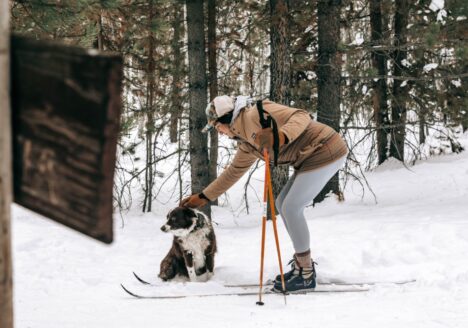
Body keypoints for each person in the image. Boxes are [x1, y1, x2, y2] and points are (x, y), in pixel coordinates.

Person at [180, 95, 348, 292]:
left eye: (217, 127)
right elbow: (233, 171)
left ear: (226, 119)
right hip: (309, 157)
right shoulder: (245, 142)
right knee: (282, 203)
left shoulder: (256, 113)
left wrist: (281, 136)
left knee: (291, 207)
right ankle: (302, 266)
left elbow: (301, 116)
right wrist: (203, 197)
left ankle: (306, 273)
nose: (220, 132)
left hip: (326, 148)